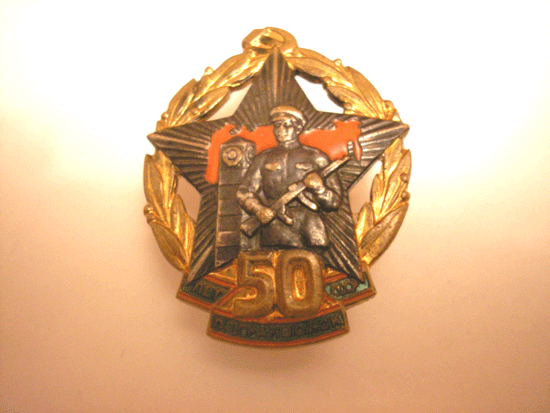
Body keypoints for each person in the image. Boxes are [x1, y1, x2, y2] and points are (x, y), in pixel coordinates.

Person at [237, 106, 342, 249]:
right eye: (277, 125)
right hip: (275, 226)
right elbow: (244, 192)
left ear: (298, 128)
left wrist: (320, 189)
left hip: (310, 225)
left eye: (287, 125)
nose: (281, 130)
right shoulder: (263, 158)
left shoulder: (317, 157)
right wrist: (258, 209)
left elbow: (335, 203)